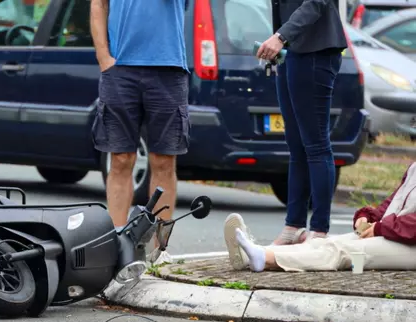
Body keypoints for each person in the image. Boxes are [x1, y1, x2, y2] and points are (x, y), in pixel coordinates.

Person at [89, 0, 189, 263]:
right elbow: (98, 5)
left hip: (168, 69)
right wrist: (103, 57)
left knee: (163, 161)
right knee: (121, 159)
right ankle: (117, 247)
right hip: (120, 70)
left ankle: (160, 250)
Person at [255, 0, 349, 245]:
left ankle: (319, 232)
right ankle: (293, 226)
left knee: (316, 144)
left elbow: (317, 2)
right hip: (291, 53)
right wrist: (281, 40)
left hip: (316, 52)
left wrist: (280, 36)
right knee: (296, 145)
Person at [223, 162, 416, 273]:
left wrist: (382, 228)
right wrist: (367, 217)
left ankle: (264, 257)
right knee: (321, 244)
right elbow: (392, 205)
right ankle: (254, 256)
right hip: (393, 234)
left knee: (343, 251)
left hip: (409, 247)